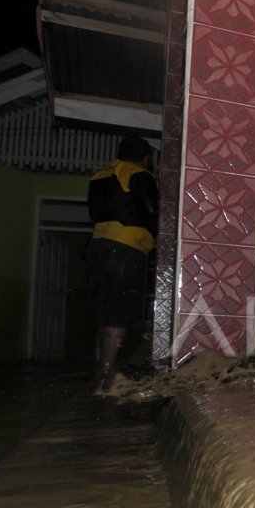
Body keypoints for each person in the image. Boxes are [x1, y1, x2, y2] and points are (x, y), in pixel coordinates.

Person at [85, 135, 159, 392]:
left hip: (97, 246)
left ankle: (104, 365)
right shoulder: (139, 173)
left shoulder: (100, 175)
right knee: (120, 310)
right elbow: (152, 210)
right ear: (146, 158)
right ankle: (106, 372)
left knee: (104, 308)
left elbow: (93, 212)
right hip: (126, 248)